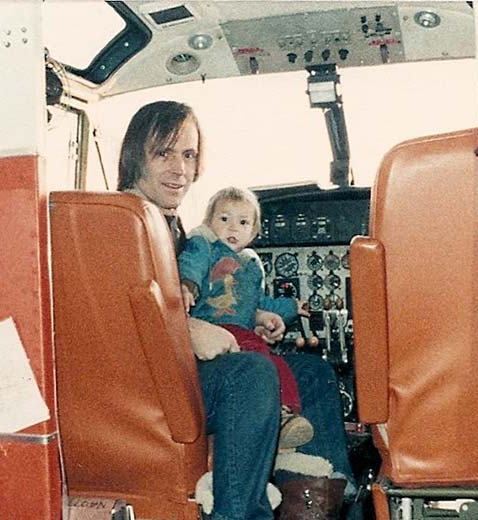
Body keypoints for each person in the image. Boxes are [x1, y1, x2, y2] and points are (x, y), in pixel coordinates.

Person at [117, 100, 355, 520]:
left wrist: (252, 317)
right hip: (150, 382)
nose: (180, 170)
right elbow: (119, 309)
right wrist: (185, 328)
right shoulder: (123, 221)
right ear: (136, 155)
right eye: (164, 153)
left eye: (188, 155)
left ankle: (313, 511)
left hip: (179, 368)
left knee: (314, 374)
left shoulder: (166, 223)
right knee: (252, 372)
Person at [177, 186, 313, 450]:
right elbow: (191, 262)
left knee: (277, 364)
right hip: (213, 329)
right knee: (257, 357)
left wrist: (291, 307)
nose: (233, 228)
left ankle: (286, 414)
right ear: (209, 222)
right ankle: (277, 419)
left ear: (252, 232)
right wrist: (188, 285)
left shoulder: (252, 267)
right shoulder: (206, 245)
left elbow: (260, 304)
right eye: (224, 219)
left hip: (243, 331)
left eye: (242, 222)